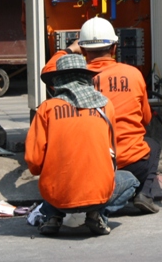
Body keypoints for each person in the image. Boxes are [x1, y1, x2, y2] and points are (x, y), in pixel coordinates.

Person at [41, 17, 161, 214]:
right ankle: (144, 194)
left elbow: (48, 71)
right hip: (131, 163)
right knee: (153, 145)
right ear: (114, 48)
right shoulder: (134, 74)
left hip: (89, 164)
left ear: (84, 50)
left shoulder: (72, 80)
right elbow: (145, 120)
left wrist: (70, 49)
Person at [25, 53, 139, 236]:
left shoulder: (46, 109)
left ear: (59, 81)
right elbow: (112, 153)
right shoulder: (106, 106)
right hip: (99, 192)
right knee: (132, 181)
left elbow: (33, 160)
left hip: (57, 196)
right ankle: (97, 214)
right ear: (86, 78)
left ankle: (53, 215)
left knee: (54, 180)